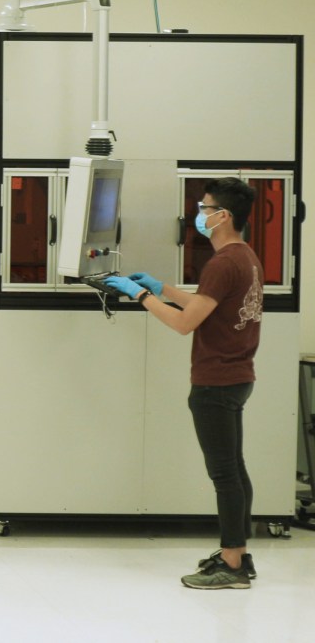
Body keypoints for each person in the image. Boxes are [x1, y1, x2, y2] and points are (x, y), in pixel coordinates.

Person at [105, 177, 263, 589]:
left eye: (204, 208)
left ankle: (232, 565)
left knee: (224, 475)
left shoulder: (222, 263)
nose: (198, 214)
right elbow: (207, 306)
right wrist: (161, 288)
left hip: (215, 382)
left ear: (222, 216)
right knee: (235, 469)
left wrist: (139, 296)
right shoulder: (244, 257)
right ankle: (238, 555)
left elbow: (184, 323)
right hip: (237, 376)